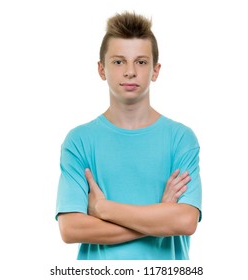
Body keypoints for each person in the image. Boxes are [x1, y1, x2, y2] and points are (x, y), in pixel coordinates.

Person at [55, 11, 202, 260]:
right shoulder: (79, 141)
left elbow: (186, 221)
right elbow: (71, 229)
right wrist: (161, 216)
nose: (130, 71)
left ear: (155, 71)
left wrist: (103, 209)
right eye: (119, 61)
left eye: (141, 62)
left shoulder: (181, 139)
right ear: (102, 69)